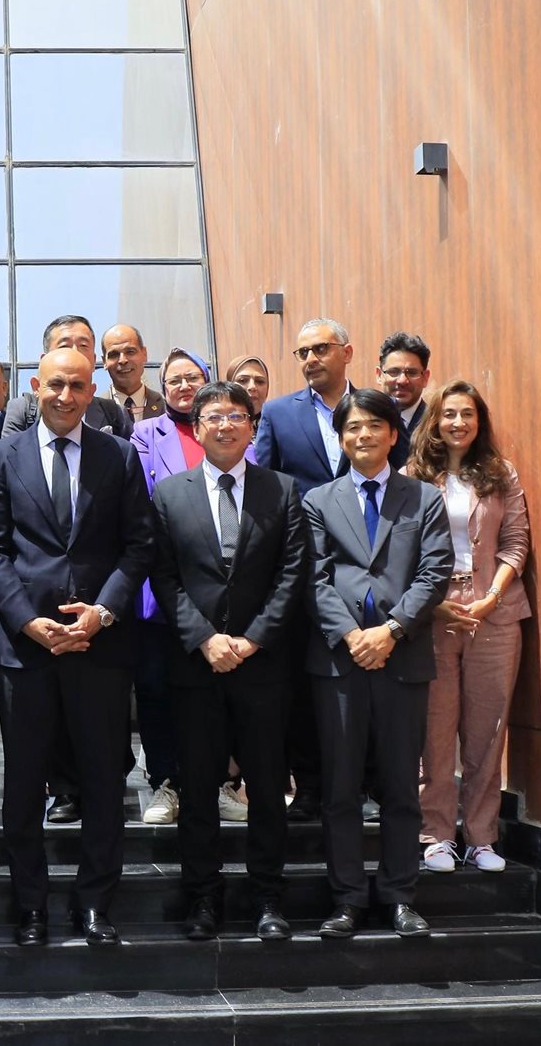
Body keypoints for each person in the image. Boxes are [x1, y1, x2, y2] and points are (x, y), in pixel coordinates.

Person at [0, 347, 154, 947]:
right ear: (35, 385)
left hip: (99, 646)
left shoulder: (118, 455)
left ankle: (95, 903)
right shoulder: (0, 458)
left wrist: (102, 613)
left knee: (103, 781)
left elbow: (138, 545)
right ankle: (30, 906)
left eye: (77, 386)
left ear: (91, 390)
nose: (65, 396)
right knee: (24, 783)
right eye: (55, 384)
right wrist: (26, 621)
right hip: (27, 649)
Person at [151, 382, 309, 941]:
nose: (225, 425)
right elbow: (163, 576)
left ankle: (268, 897)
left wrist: (253, 639)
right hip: (197, 667)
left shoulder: (281, 490)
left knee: (267, 787)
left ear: (251, 427)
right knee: (198, 789)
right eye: (214, 416)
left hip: (263, 667)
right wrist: (204, 639)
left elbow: (293, 574)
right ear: (196, 428)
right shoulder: (168, 494)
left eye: (237, 416)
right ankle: (203, 897)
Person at [302, 388, 452, 939]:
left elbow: (435, 572)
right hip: (339, 662)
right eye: (351, 427)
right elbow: (313, 578)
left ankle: (399, 896)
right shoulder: (318, 500)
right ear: (340, 439)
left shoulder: (423, 498)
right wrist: (351, 636)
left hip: (402, 657)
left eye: (373, 425)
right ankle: (346, 899)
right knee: (340, 787)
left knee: (399, 784)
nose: (362, 434)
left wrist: (389, 631)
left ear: (393, 433)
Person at [405, 381, 530, 875]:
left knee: (487, 731)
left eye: (467, 414)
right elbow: (399, 552)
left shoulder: (501, 473)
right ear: (434, 421)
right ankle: (436, 834)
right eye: (449, 414)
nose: (458, 423)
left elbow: (516, 543)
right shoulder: (413, 476)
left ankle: (481, 837)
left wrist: (492, 596)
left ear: (480, 422)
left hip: (495, 614)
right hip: (433, 615)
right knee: (435, 732)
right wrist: (433, 604)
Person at [254, 318, 361, 821]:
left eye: (320, 349)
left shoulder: (372, 408)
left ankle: (365, 783)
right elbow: (264, 488)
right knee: (302, 684)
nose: (310, 359)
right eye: (302, 353)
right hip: (302, 568)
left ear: (347, 352)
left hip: (365, 567)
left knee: (363, 679)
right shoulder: (278, 413)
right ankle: (311, 787)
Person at [127, 347, 211, 827]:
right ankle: (165, 781)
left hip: (218, 584)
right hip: (161, 580)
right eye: (174, 380)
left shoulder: (229, 429)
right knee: (157, 687)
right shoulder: (145, 434)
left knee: (210, 690)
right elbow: (143, 500)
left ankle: (220, 781)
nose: (183, 386)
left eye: (192, 377)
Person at [1, 316, 130, 438]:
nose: (74, 352)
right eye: (64, 346)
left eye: (83, 346)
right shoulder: (22, 410)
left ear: (94, 360)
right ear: (44, 359)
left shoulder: (114, 413)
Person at [101, 324, 164, 425]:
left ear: (144, 354)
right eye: (114, 355)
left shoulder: (165, 407)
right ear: (104, 361)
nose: (122, 360)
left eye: (130, 352)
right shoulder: (92, 411)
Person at [378, 332, 432, 437]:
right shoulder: (366, 424)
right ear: (379, 375)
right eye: (394, 372)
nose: (402, 381)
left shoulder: (437, 425)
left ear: (425, 377)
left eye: (412, 373)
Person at [223, 355, 271, 428]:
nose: (252, 387)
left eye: (260, 381)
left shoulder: (278, 426)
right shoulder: (218, 425)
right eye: (242, 380)